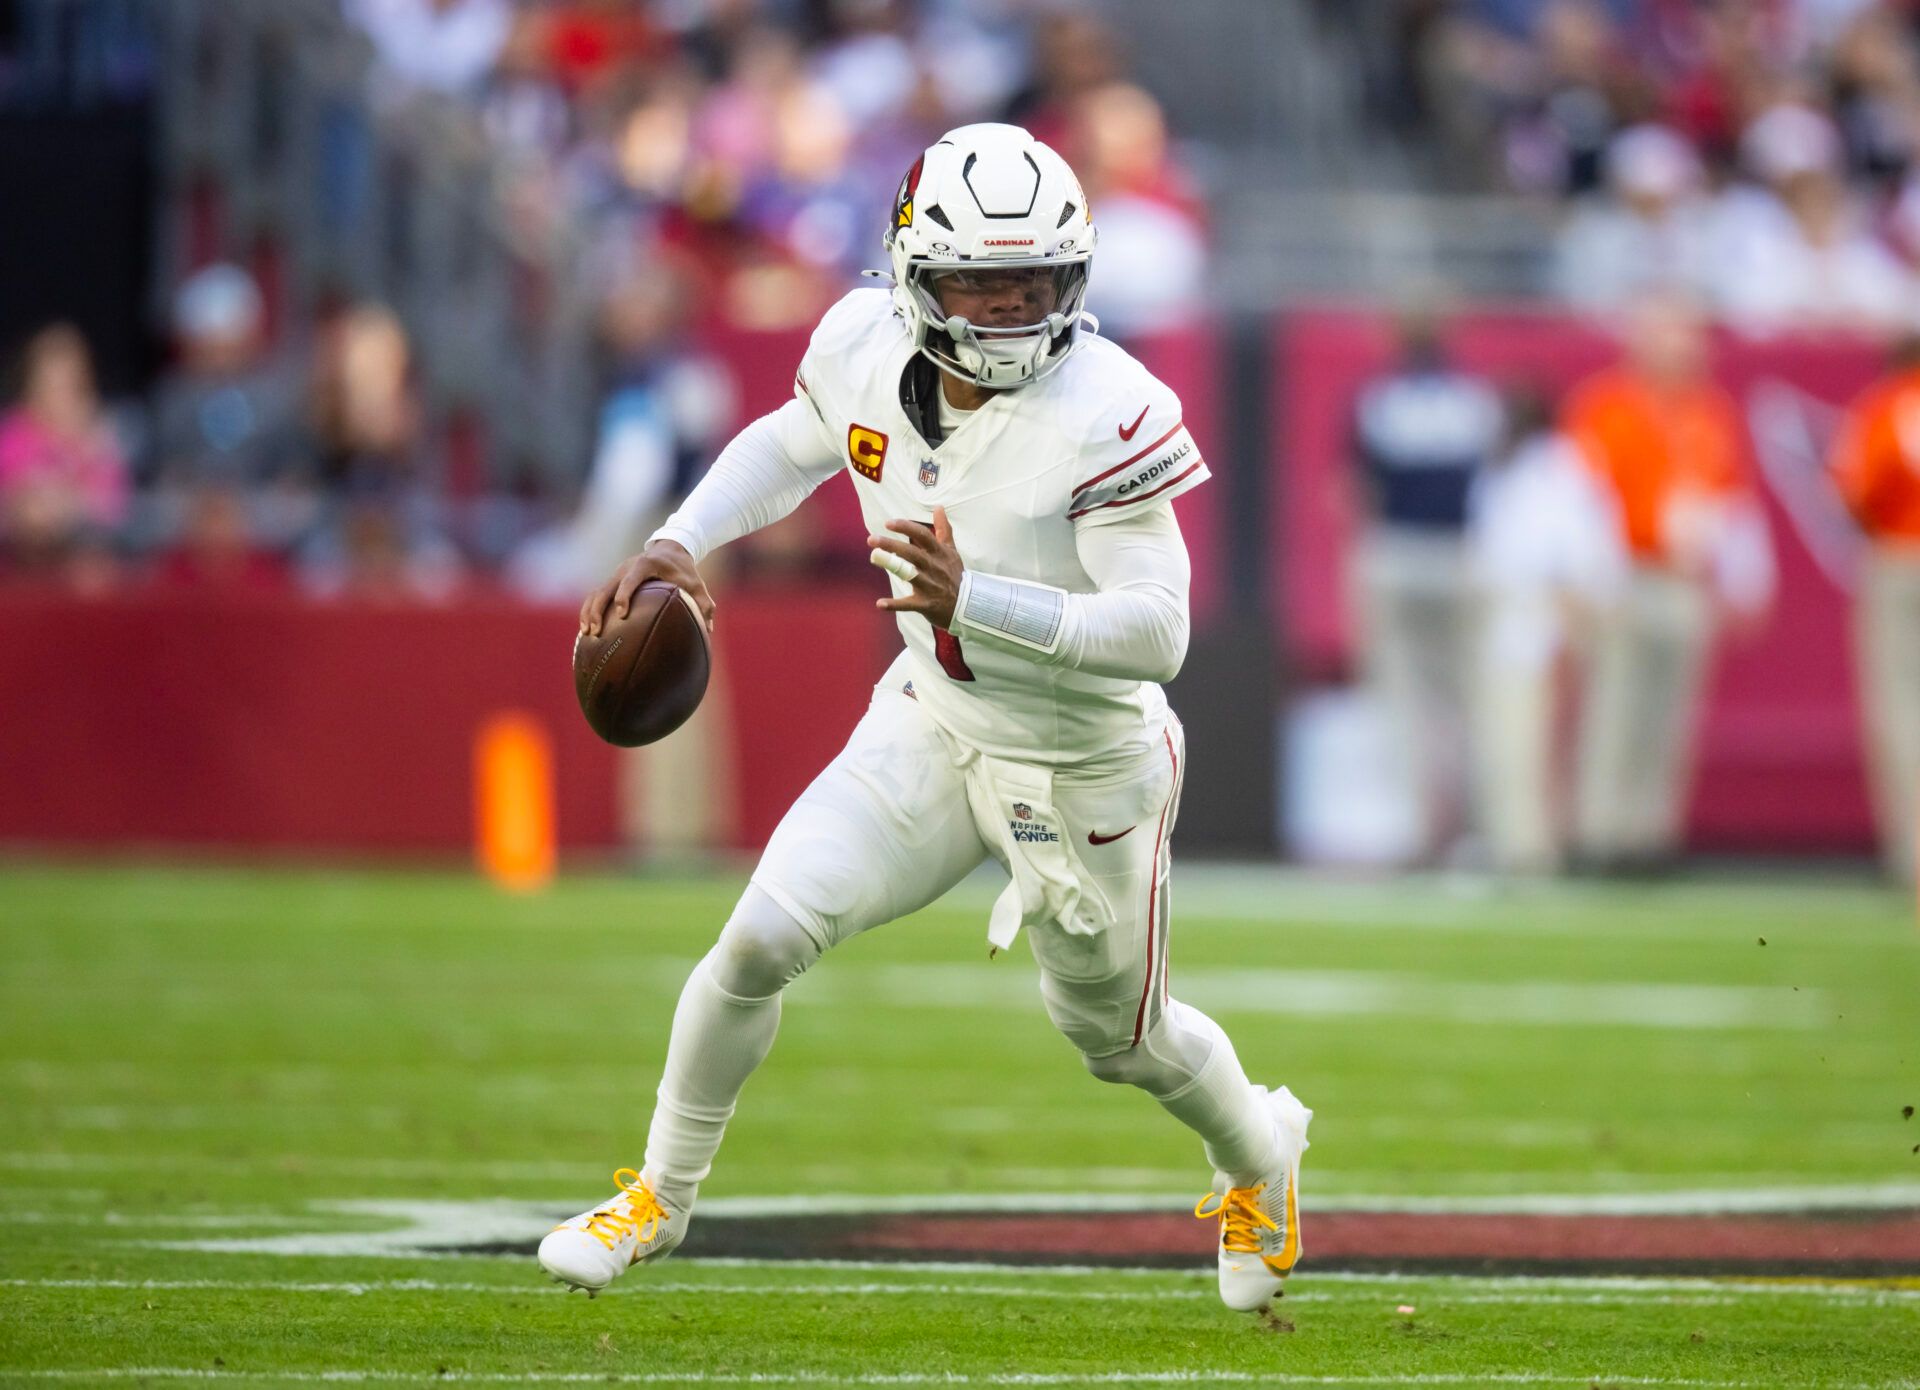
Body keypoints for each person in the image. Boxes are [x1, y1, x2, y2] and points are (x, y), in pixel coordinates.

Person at [542, 123, 1310, 1315]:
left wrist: (980, 598)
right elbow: (793, 443)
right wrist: (676, 540)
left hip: (1080, 763)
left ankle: (1259, 1153)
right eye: (980, 282)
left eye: (1033, 282)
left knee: (1120, 1040)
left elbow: (1162, 632)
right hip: (930, 719)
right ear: (914, 276)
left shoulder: (1108, 407)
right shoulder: (858, 345)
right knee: (754, 939)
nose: (1008, 309)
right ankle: (659, 1194)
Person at [1559, 292, 1774, 870]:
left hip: (1685, 580)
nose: (1684, 347)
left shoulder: (1711, 411)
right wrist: (1589, 581)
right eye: (1671, 333)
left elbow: (1733, 503)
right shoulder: (1606, 406)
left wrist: (1747, 580)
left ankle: (1649, 834)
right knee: (1615, 707)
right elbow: (1580, 502)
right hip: (1626, 573)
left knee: (1670, 715)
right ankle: (1599, 832)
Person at [1349, 303, 1505, 866]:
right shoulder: (1474, 400)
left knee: (1404, 702)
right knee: (1466, 700)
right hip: (1459, 555)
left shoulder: (1380, 398)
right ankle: (1474, 831)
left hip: (1397, 553)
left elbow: (1356, 489)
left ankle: (1416, 830)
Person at [1826, 336, 1920, 883]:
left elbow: (1852, 492)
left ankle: (1912, 853)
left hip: (1898, 560)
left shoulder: (1884, 407)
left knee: (1902, 713)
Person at [0, 323, 129, 584]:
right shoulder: (13, 433)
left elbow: (115, 505)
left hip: (81, 551)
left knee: (95, 571)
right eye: (47, 384)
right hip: (18, 551)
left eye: (67, 385)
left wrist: (70, 503)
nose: (56, 395)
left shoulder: (98, 436)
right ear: (29, 385)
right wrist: (25, 507)